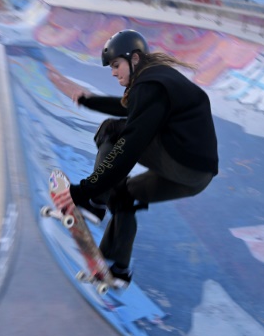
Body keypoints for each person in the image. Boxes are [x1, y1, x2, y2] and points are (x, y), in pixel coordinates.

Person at [52, 29, 219, 287]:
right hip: (197, 177)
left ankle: (95, 202)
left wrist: (86, 191)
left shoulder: (151, 84)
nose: (113, 72)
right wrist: (88, 101)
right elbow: (127, 106)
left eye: (117, 65)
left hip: (181, 161)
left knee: (113, 130)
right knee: (125, 195)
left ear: (135, 58)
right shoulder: (156, 82)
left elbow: (130, 144)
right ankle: (116, 267)